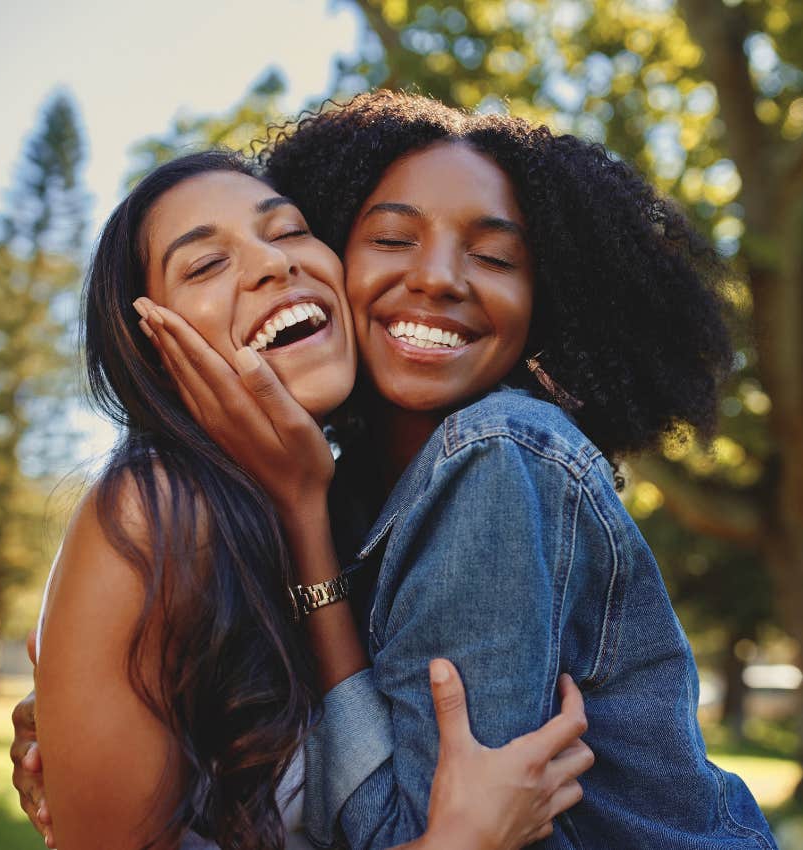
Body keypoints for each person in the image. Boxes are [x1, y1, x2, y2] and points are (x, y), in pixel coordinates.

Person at [120, 92, 777, 848]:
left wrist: (304, 527)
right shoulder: (340, 487)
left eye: (495, 257)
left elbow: (404, 833)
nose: (437, 278)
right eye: (393, 239)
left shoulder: (494, 454)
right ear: (331, 261)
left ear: (544, 301)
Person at [11, 149, 593, 850]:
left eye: (287, 231)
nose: (272, 263)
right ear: (154, 350)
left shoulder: (361, 506)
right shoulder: (153, 512)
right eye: (203, 264)